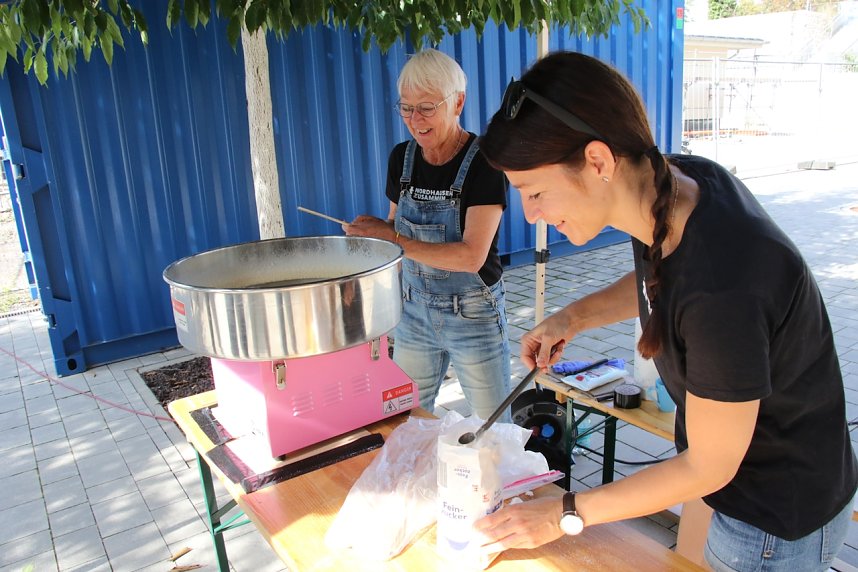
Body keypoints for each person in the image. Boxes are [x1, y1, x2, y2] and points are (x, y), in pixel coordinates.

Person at [473, 51, 857, 572]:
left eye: (534, 192)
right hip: (741, 482)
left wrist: (565, 512)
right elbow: (662, 275)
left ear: (598, 162)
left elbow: (708, 464)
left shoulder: (724, 286)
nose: (531, 215)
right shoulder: (674, 185)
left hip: (771, 519)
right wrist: (573, 318)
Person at [343, 49, 512, 421]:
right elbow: (393, 233)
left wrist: (394, 240)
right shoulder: (401, 158)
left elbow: (471, 256)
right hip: (413, 313)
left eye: (426, 107)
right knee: (405, 423)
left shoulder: (486, 162)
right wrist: (369, 238)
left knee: (494, 432)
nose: (415, 120)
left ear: (458, 103)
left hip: (472, 316)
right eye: (406, 108)